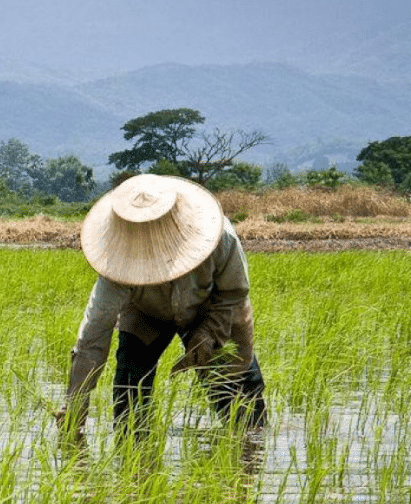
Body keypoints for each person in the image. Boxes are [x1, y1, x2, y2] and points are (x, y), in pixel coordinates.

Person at [56, 174, 267, 443]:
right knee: (129, 393)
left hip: (212, 308)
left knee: (242, 402)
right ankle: (135, 462)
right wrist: (76, 404)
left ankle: (248, 455)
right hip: (146, 312)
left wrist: (207, 333)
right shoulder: (116, 265)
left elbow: (234, 293)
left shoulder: (219, 238)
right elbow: (93, 336)